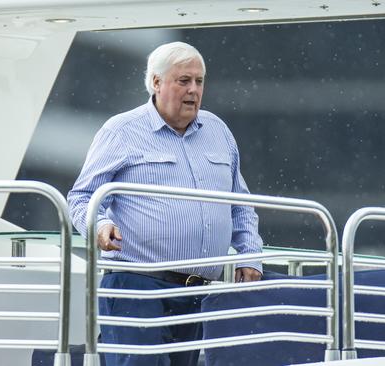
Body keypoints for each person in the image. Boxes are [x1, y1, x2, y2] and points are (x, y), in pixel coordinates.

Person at [67, 41, 263, 366]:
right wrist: (99, 226)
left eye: (199, 81)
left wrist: (250, 255)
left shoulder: (219, 132)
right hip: (137, 287)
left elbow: (240, 205)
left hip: (198, 292)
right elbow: (82, 197)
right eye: (183, 80)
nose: (193, 90)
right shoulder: (121, 130)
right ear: (156, 83)